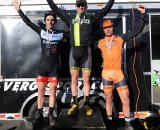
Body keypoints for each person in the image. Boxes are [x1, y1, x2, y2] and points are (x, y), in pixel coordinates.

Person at [46, 0, 115, 116]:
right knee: (74, 79)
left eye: (83, 5)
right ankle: (75, 103)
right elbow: (56, 10)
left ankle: (87, 103)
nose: (81, 7)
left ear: (86, 7)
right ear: (76, 7)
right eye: (79, 5)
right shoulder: (70, 17)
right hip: (74, 50)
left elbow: (104, 11)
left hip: (86, 51)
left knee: (87, 79)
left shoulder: (91, 17)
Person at [12, 0, 68, 127]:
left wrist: (64, 15)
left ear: (55, 21)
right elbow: (27, 22)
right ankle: (38, 113)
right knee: (41, 92)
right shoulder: (41, 32)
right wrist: (19, 10)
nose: (50, 22)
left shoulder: (60, 34)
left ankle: (51, 114)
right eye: (48, 20)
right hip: (42, 68)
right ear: (45, 21)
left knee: (53, 93)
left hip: (54, 68)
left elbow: (76, 35)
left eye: (52, 20)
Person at [98, 5, 146, 130]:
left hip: (118, 73)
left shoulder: (120, 39)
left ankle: (128, 124)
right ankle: (109, 123)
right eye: (105, 28)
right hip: (106, 74)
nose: (108, 29)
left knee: (126, 99)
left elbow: (137, 31)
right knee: (108, 99)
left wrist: (142, 15)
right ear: (103, 30)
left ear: (113, 28)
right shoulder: (100, 42)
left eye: (110, 27)